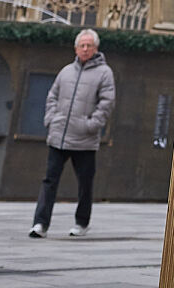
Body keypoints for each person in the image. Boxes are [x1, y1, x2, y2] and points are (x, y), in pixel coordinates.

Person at [28, 29, 116, 239]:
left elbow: (107, 103)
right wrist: (51, 119)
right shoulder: (66, 71)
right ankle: (40, 224)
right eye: (81, 46)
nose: (85, 49)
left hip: (84, 139)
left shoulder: (105, 73)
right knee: (49, 180)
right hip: (58, 136)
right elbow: (52, 96)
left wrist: (91, 125)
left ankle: (82, 222)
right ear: (76, 48)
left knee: (85, 183)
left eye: (89, 46)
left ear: (96, 49)